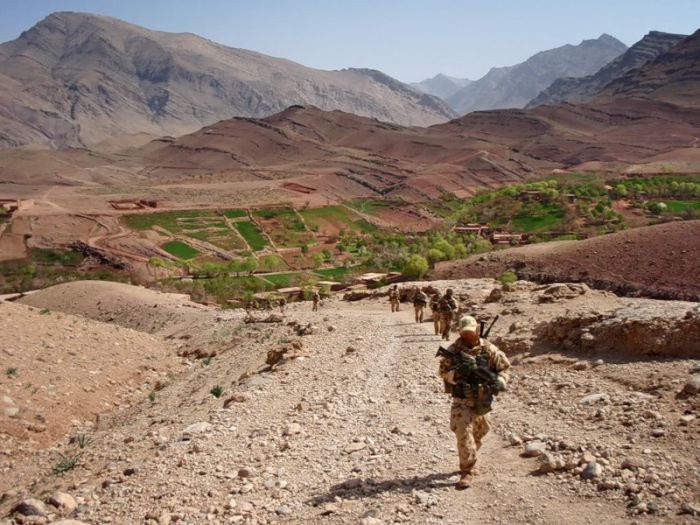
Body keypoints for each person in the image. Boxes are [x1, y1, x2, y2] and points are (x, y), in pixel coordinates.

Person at [438, 315, 510, 489]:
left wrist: (500, 381)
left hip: (482, 398)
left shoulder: (489, 349)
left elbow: (504, 368)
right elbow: (442, 372)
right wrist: (456, 374)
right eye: (464, 333)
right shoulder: (453, 350)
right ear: (460, 332)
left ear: (477, 331)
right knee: (463, 432)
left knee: (481, 430)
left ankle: (470, 452)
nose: (468, 336)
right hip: (461, 399)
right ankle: (467, 470)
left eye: (470, 332)